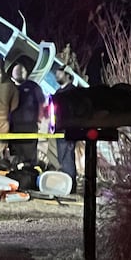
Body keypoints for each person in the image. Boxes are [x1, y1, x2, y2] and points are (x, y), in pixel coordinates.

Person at [8, 63, 47, 166]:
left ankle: (29, 171)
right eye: (17, 72)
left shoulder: (33, 87)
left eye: (21, 71)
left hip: (29, 127)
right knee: (15, 156)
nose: (19, 74)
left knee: (29, 156)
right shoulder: (10, 87)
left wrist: (39, 119)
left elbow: (41, 103)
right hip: (14, 127)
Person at [54, 64, 79, 193]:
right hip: (59, 130)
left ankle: (70, 186)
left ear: (68, 75)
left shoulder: (73, 92)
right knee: (62, 159)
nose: (57, 76)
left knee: (67, 158)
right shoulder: (58, 92)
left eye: (60, 73)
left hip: (69, 130)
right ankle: (66, 185)